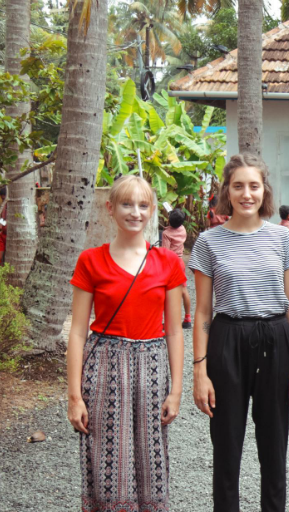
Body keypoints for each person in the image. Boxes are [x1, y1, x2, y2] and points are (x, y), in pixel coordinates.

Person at [189, 154, 289, 512]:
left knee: (274, 445)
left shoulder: (283, 239)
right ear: (227, 191)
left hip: (275, 337)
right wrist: (200, 371)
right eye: (238, 186)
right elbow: (203, 311)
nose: (246, 194)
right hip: (227, 338)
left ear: (264, 191)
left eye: (253, 186)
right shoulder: (208, 243)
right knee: (226, 444)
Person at [67, 175, 185, 511]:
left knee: (151, 454)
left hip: (151, 363)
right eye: (127, 204)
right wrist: (74, 397)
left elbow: (174, 330)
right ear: (110, 208)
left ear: (152, 211)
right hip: (104, 363)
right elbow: (77, 331)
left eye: (143, 205)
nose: (135, 212)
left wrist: (175, 391)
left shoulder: (168, 262)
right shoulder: (91, 260)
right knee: (106, 454)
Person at [162, 207, 192, 328]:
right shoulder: (182, 229)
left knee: (166, 292)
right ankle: (188, 318)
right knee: (184, 291)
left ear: (169, 220)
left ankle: (168, 322)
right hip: (180, 262)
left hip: (171, 263)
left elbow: (165, 252)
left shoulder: (166, 234)